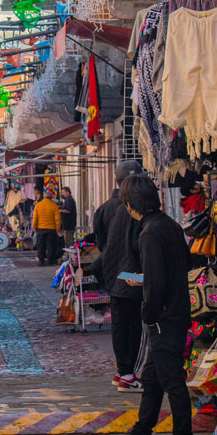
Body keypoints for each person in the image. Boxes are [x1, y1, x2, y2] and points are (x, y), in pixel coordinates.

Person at [103, 174, 194, 435]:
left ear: (131, 205)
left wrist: (148, 311)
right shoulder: (167, 226)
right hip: (173, 311)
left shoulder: (150, 232)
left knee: (173, 382)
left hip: (165, 317)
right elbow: (167, 272)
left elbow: (156, 282)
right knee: (153, 381)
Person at [101, 164, 146, 393]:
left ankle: (123, 370)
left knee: (120, 325)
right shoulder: (130, 213)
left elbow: (102, 241)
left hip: (115, 275)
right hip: (128, 277)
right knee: (132, 327)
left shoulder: (110, 210)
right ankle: (127, 372)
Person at [31, 186, 62, 266]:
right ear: (51, 198)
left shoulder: (38, 205)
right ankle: (50, 260)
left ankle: (41, 260)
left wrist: (34, 226)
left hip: (41, 229)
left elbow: (35, 217)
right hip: (51, 229)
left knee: (41, 245)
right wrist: (57, 228)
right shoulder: (54, 206)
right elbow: (57, 219)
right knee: (50, 245)